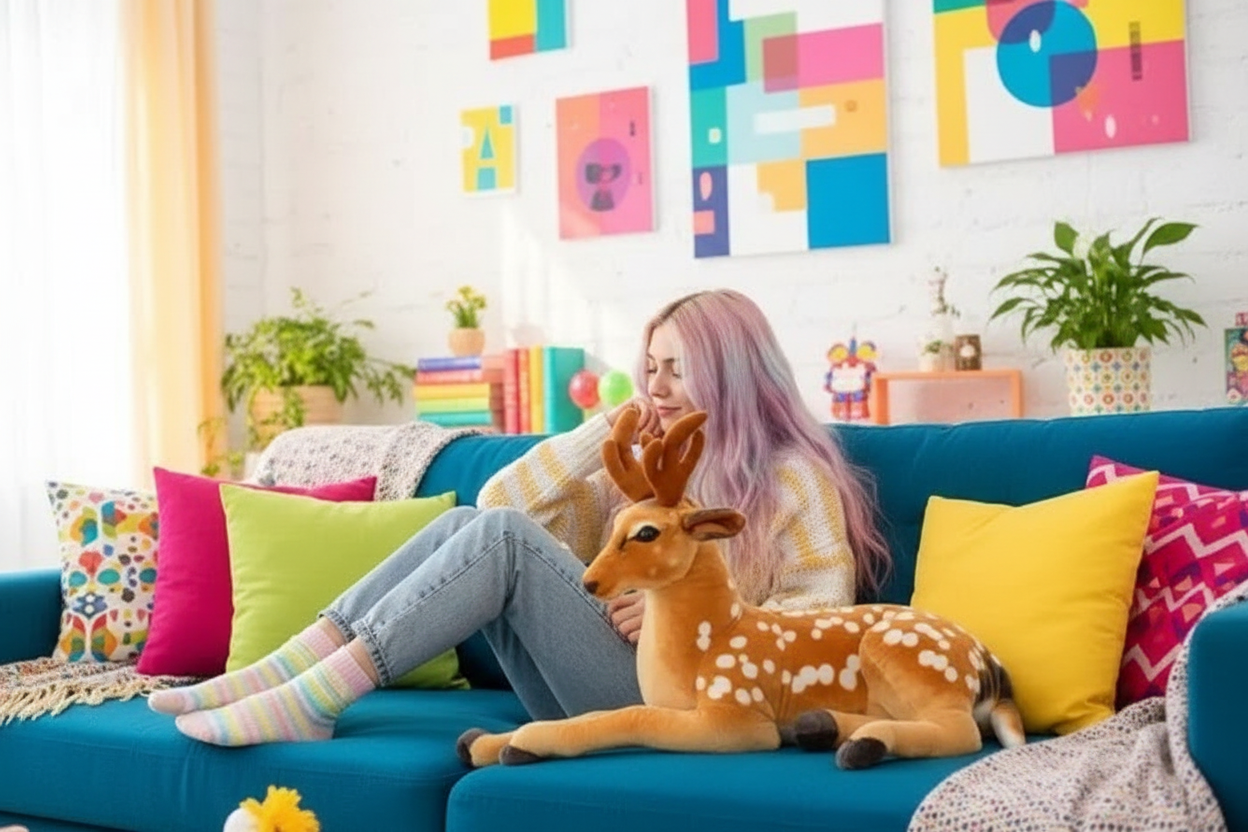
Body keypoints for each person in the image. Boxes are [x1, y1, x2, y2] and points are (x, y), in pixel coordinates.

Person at [152, 289, 891, 746]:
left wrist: (684, 610)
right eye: (651, 367)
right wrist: (603, 433)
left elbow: (822, 619)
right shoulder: (640, 469)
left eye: (679, 368)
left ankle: (315, 699)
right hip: (605, 677)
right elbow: (498, 501)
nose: (658, 387)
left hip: (701, 703)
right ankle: (283, 671)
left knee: (500, 542)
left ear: (732, 372)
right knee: (468, 530)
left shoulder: (794, 479)